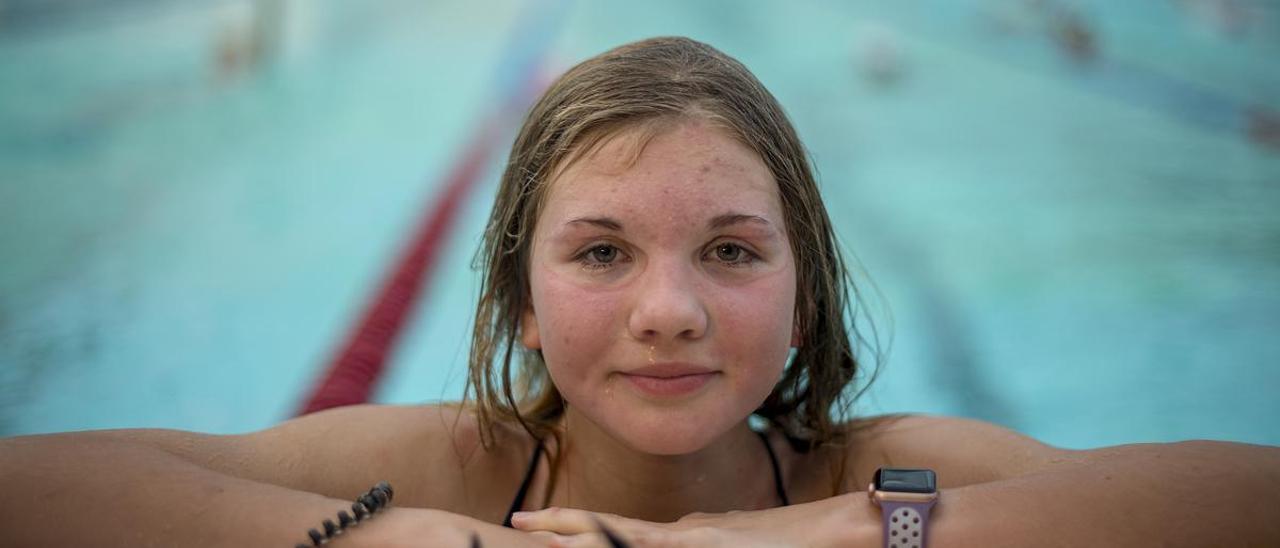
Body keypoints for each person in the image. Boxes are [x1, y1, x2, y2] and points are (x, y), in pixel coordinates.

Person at [2, 36, 1278, 548]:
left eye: (729, 250)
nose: (667, 307)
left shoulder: (864, 475)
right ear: (514, 296)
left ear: (805, 293)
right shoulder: (451, 467)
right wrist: (409, 538)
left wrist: (760, 543)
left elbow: (1238, 497)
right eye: (600, 251)